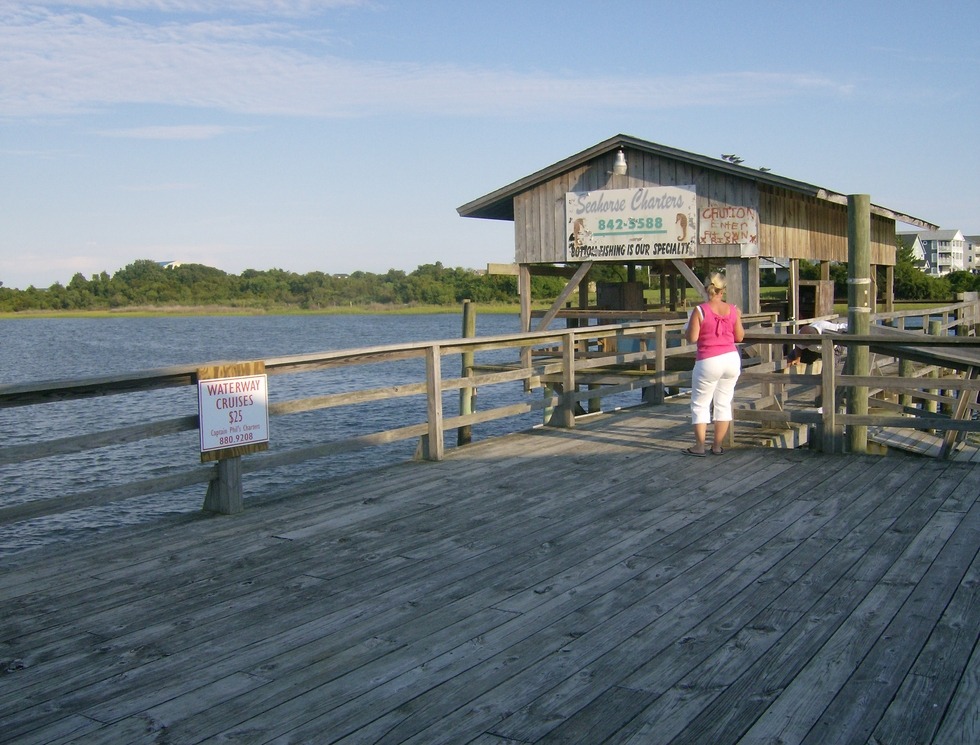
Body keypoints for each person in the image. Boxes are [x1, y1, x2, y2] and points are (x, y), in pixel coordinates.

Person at [683, 272, 745, 456]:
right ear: (723, 290)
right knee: (724, 403)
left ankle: (699, 446)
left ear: (705, 288)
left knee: (700, 404)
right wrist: (738, 317)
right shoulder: (733, 310)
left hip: (708, 360)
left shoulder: (700, 310)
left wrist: (687, 329)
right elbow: (740, 336)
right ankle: (717, 446)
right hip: (731, 359)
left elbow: (692, 338)